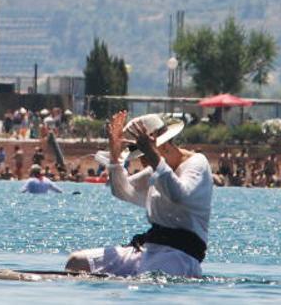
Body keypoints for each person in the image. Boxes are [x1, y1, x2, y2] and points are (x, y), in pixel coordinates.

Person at [65, 111, 213, 277]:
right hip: (149, 249)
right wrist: (115, 156)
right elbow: (122, 191)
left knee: (146, 277)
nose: (142, 161)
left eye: (145, 154)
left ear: (164, 146)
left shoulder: (197, 163)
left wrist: (153, 156)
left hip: (181, 255)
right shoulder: (157, 169)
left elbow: (178, 195)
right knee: (76, 262)